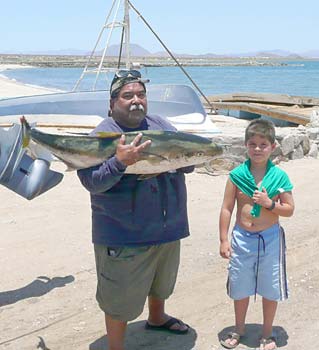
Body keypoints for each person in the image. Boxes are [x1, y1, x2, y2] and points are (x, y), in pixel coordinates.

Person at [77, 69, 193, 350]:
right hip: (124, 234)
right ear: (112, 103)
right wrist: (119, 163)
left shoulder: (160, 124)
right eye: (127, 96)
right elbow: (91, 181)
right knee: (119, 298)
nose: (136, 101)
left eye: (141, 95)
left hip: (167, 226)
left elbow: (187, 159)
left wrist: (186, 158)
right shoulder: (103, 135)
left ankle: (157, 317)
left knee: (161, 282)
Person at [218, 119, 294, 350]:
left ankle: (267, 333)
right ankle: (239, 328)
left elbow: (289, 209)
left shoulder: (279, 177)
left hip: (269, 238)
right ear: (246, 146)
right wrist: (223, 239)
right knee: (240, 285)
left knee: (270, 286)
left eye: (263, 144)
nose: (258, 149)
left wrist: (269, 203)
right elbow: (227, 207)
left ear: (272, 147)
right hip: (241, 238)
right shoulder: (236, 176)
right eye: (253, 144)